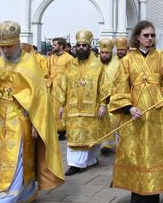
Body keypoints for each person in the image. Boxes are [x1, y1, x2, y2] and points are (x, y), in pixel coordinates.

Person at [0, 21, 64, 203]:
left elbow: (39, 98)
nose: (6, 50)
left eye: (9, 46)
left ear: (17, 43)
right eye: (3, 47)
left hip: (21, 118)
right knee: (2, 155)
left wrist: (35, 123)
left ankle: (4, 200)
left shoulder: (29, 62)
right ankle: (23, 192)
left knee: (15, 156)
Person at [108, 21, 163, 203]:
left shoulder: (162, 59)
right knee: (134, 154)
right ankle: (137, 193)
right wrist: (128, 107)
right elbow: (120, 86)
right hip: (134, 115)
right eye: (146, 35)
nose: (150, 39)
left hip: (155, 115)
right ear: (137, 37)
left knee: (152, 155)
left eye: (152, 35)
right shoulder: (127, 60)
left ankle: (152, 198)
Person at [55, 30, 109, 176]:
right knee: (74, 136)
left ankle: (90, 160)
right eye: (78, 45)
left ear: (89, 47)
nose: (80, 48)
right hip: (72, 108)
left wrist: (103, 104)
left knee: (91, 136)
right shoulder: (71, 65)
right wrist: (61, 104)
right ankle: (75, 164)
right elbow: (62, 85)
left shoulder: (97, 65)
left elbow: (104, 86)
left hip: (92, 108)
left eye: (84, 45)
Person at [98, 38, 120, 155]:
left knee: (112, 122)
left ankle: (108, 144)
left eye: (107, 53)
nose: (104, 55)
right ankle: (102, 143)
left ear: (111, 53)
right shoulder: (95, 64)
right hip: (98, 99)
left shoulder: (118, 64)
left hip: (113, 98)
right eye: (102, 53)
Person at [48, 37, 73, 140]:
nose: (52, 47)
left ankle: (62, 130)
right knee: (51, 108)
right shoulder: (51, 57)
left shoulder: (69, 58)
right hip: (51, 86)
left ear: (61, 46)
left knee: (60, 109)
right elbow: (46, 70)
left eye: (55, 45)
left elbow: (71, 73)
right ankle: (53, 128)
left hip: (62, 87)